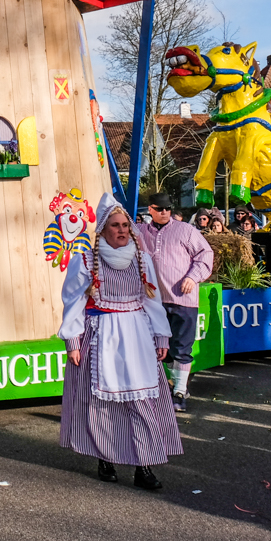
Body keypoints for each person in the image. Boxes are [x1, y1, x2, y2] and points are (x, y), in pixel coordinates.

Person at [59, 193, 181, 491]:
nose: (122, 230)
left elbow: (152, 302)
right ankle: (106, 459)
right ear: (103, 229)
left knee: (142, 401)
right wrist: (73, 341)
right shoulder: (85, 261)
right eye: (115, 225)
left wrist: (161, 335)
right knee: (101, 403)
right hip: (101, 333)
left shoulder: (142, 259)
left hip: (137, 335)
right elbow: (73, 302)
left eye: (125, 225)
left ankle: (144, 466)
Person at [138, 192, 213, 413]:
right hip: (154, 302)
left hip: (183, 298)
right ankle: (174, 385)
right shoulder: (140, 232)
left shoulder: (186, 230)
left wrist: (193, 277)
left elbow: (205, 254)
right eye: (159, 209)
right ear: (150, 210)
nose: (164, 212)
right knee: (163, 350)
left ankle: (179, 392)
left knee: (182, 347)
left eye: (168, 208)